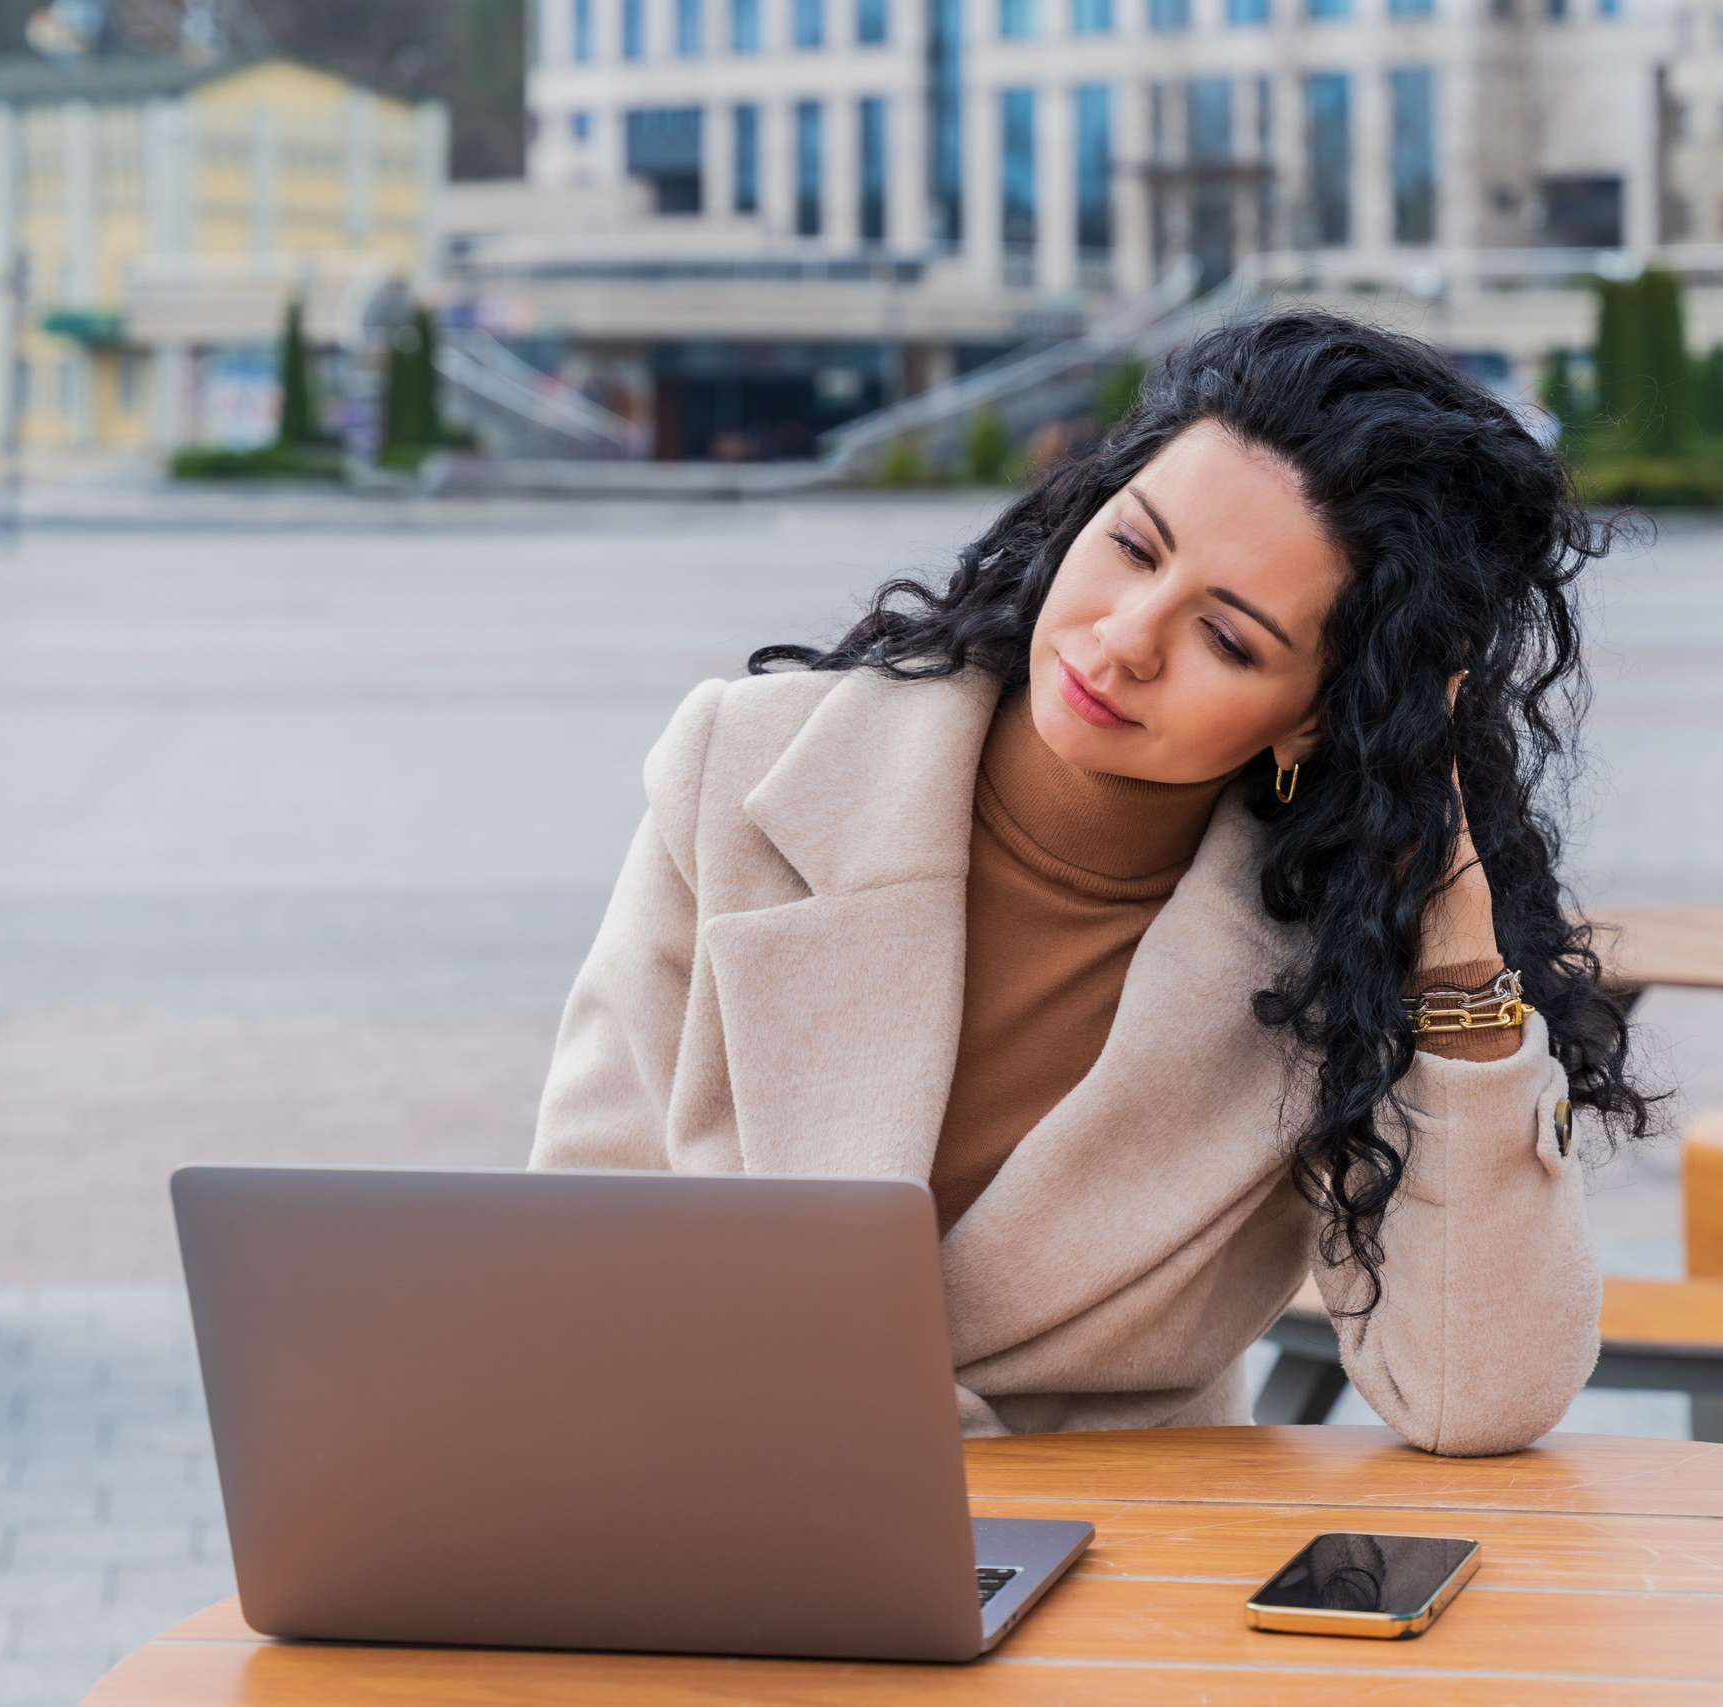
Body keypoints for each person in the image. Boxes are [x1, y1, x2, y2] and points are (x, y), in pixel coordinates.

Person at [530, 313, 1651, 1455]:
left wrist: (1454, 935)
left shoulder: (1336, 957)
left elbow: (1478, 1394)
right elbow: (570, 1249)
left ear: (1317, 715)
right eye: (1133, 547)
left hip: (1114, 1571)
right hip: (707, 1504)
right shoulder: (748, 767)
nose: (1122, 640)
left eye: (1228, 639)